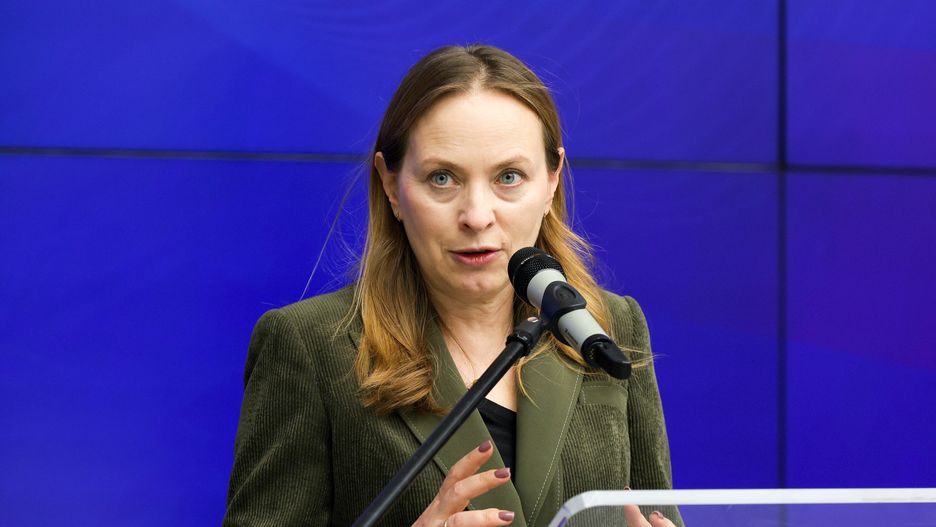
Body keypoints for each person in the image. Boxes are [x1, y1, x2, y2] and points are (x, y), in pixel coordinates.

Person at [223, 44, 681, 527]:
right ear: (391, 185)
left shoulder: (607, 328)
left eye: (509, 176)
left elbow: (660, 514)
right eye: (442, 178)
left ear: (551, 182)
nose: (477, 216)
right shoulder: (310, 346)